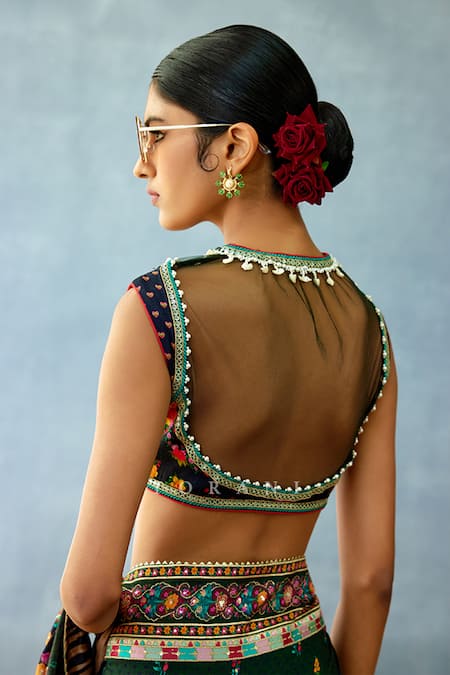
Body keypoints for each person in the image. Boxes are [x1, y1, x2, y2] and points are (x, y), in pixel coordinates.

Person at [55, 24, 396, 675]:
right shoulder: (368, 327)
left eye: (156, 133)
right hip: (301, 655)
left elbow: (90, 595)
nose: (141, 163)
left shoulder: (160, 308)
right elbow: (372, 579)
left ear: (233, 146)